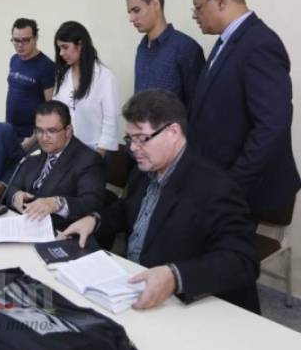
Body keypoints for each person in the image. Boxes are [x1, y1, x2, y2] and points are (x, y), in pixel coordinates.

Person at [62, 90, 260, 313]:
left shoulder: (215, 187)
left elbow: (242, 261)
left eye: (142, 138)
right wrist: (94, 220)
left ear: (173, 132)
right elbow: (126, 209)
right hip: (135, 289)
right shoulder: (144, 168)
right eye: (130, 139)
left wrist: (175, 275)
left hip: (191, 307)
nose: (133, 148)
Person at [188, 0, 300, 220]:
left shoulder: (260, 43)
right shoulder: (225, 42)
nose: (195, 15)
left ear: (220, 1)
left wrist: (233, 184)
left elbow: (272, 126)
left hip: (244, 191)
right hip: (215, 180)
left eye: (198, 7)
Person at [5, 100, 105, 230]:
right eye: (39, 130)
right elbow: (11, 185)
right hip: (22, 224)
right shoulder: (36, 151)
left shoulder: (88, 160)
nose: (44, 138)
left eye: (51, 131)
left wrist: (57, 203)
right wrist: (16, 196)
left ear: (68, 130)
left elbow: (92, 203)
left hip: (58, 233)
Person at [125, 0, 205, 110]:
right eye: (130, 12)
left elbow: (197, 107)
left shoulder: (186, 48)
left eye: (136, 10)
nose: (131, 18)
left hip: (173, 129)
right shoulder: (142, 48)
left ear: (155, 5)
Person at [53, 21, 119, 157]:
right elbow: (57, 112)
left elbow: (110, 119)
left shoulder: (104, 77)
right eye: (59, 48)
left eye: (65, 47)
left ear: (80, 44)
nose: (61, 53)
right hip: (66, 152)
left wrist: (100, 154)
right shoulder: (63, 76)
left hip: (95, 152)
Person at [6, 18, 55, 150]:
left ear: (35, 38)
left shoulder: (47, 66)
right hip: (11, 133)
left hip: (32, 138)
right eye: (16, 40)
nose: (20, 45)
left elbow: (50, 108)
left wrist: (34, 138)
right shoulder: (14, 60)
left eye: (25, 40)